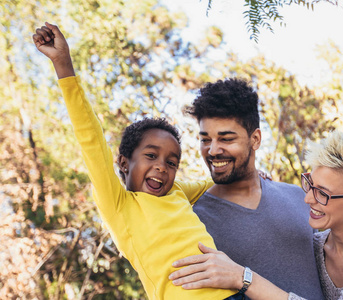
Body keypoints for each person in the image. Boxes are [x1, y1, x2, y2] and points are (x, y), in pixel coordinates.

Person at [32, 22, 238, 300]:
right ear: (124, 163)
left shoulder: (176, 192)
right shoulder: (120, 205)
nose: (161, 167)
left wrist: (248, 174)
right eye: (151, 156)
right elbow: (90, 140)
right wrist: (63, 66)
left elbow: (209, 184)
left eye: (172, 162)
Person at [170, 130, 343, 300]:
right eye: (310, 184)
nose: (308, 198)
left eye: (323, 193)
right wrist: (257, 182)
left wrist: (243, 278)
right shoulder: (314, 246)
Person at [171, 79, 324, 299]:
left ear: (255, 139)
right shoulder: (193, 220)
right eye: (205, 140)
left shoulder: (299, 197)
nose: (213, 150)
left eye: (226, 138)